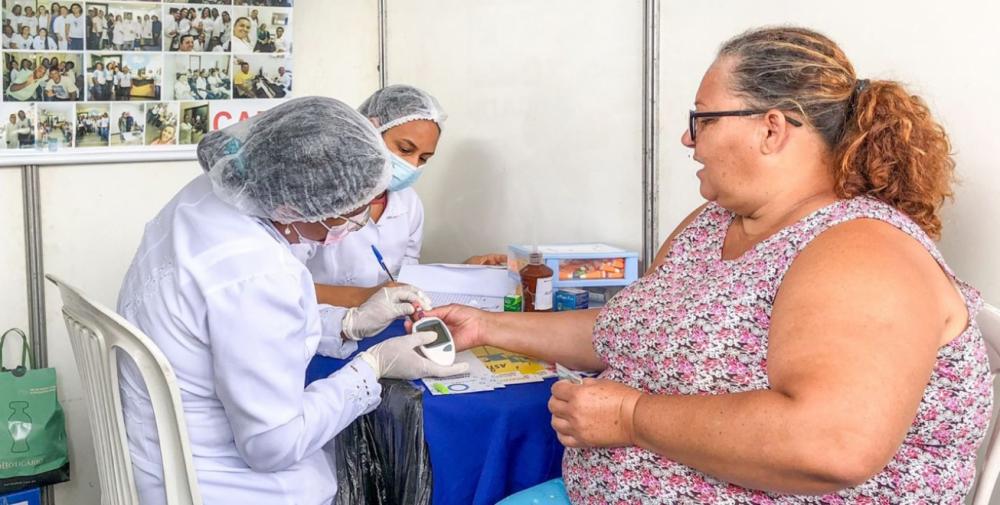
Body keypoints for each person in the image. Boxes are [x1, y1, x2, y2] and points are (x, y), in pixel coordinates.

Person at [421, 26, 993, 504]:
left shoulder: (862, 250)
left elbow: (830, 445)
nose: (686, 138)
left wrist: (631, 416)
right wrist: (487, 326)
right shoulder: (714, 221)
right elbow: (628, 328)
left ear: (771, 128)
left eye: (703, 119)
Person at [116, 96, 466, 505]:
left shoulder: (206, 198)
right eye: (348, 212)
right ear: (293, 204)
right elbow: (273, 445)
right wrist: (372, 369)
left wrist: (347, 323)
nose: (354, 225)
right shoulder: (259, 271)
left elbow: (240, 330)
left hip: (158, 451)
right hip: (215, 484)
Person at [307, 85, 505, 317]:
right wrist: (366, 296)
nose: (412, 165)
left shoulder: (408, 203)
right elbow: (286, 286)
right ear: (368, 132)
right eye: (404, 149)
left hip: (382, 324)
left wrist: (462, 273)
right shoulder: (316, 197)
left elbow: (404, 277)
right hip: (316, 326)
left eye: (423, 158)